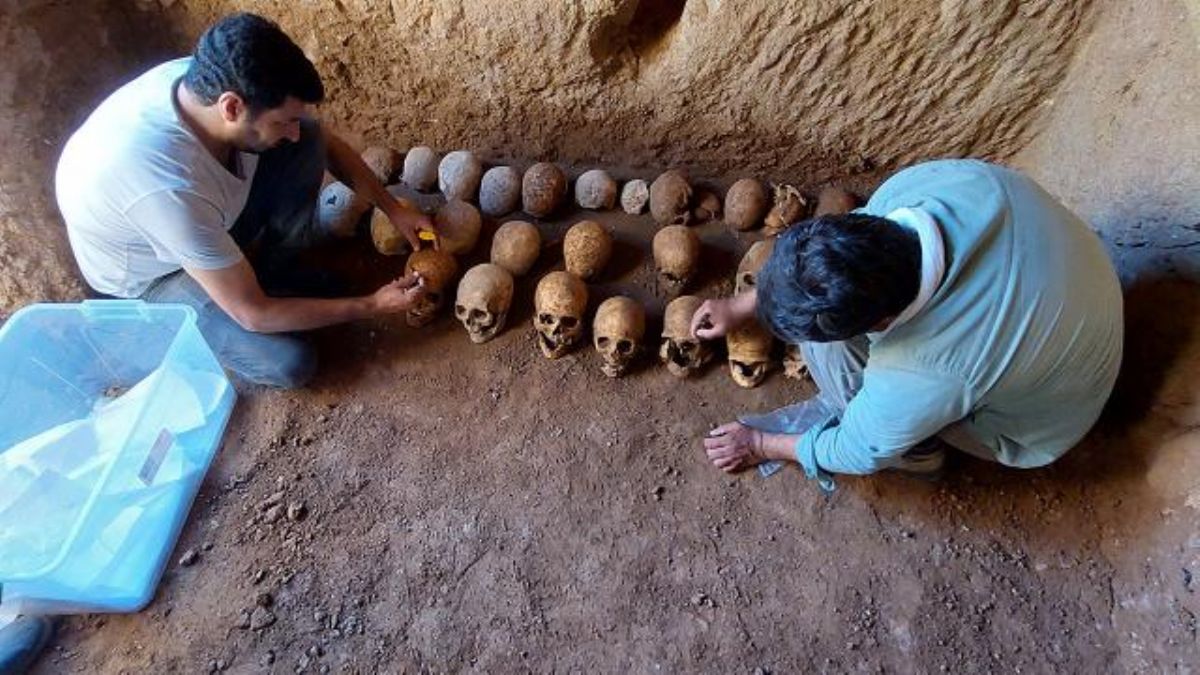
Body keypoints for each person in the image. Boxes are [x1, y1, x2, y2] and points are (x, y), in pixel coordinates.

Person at [56, 12, 432, 389]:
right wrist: (370, 305)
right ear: (232, 108)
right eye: (282, 120)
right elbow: (255, 315)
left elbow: (323, 141)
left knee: (309, 141)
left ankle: (274, 270)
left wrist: (394, 209)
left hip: (207, 217)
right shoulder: (166, 186)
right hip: (158, 272)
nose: (292, 130)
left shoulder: (209, 81)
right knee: (289, 363)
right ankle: (202, 327)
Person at [694, 159, 1124, 487]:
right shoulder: (916, 190)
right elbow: (823, 269)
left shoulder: (931, 371)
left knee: (825, 351)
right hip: (1075, 287)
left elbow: (857, 451)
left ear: (880, 322)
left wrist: (761, 444)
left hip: (1045, 418)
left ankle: (919, 454)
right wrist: (743, 306)